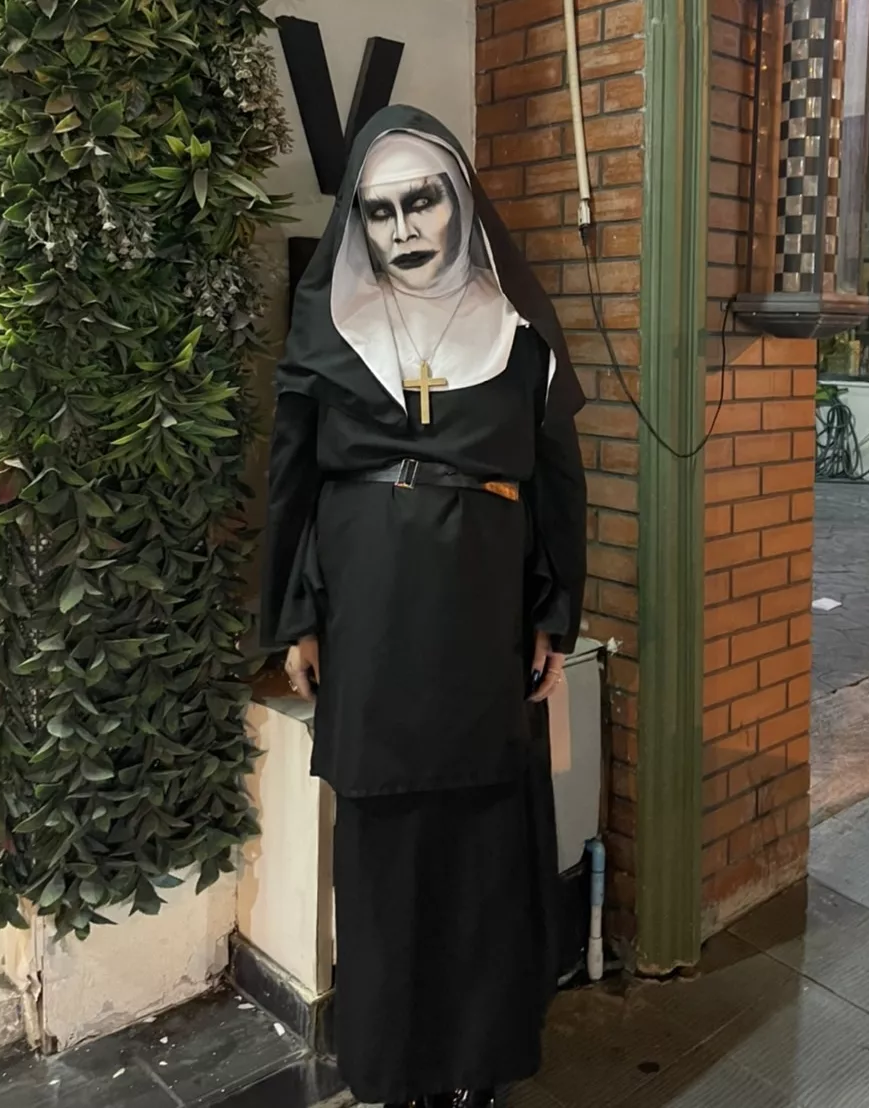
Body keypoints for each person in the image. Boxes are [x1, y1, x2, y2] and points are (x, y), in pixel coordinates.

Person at [260, 104, 587, 1108]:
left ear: (462, 203)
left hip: (482, 618)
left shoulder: (518, 335)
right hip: (368, 620)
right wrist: (295, 616)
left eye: (423, 202)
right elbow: (292, 480)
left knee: (484, 849)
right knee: (383, 856)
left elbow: (555, 479)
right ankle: (394, 1070)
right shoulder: (330, 329)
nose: (403, 228)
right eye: (380, 210)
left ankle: (477, 1066)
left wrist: (553, 613)